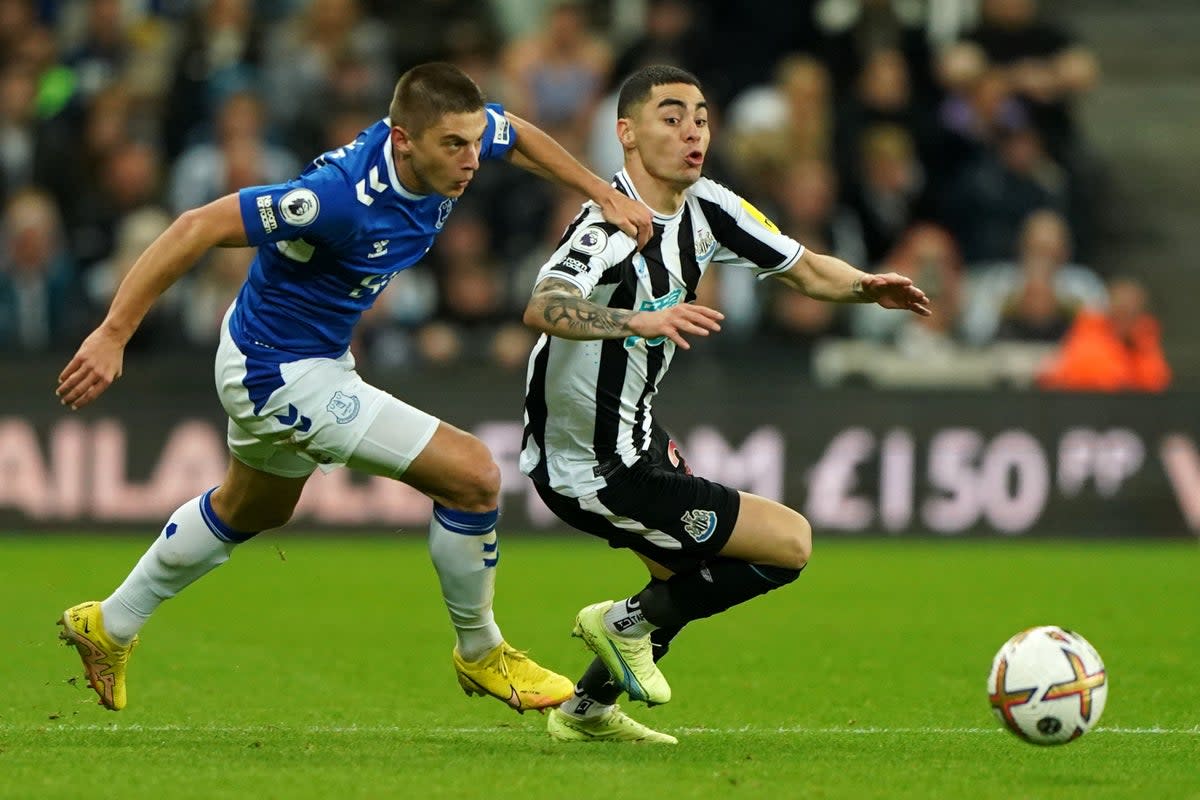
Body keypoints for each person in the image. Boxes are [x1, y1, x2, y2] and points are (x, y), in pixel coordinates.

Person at [54, 62, 653, 714]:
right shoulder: (336, 198)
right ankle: (482, 652)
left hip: (289, 351)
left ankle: (108, 624)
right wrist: (114, 332)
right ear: (403, 140)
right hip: (280, 372)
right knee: (474, 475)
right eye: (455, 146)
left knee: (251, 509)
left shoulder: (450, 144)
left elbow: (520, 134)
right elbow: (195, 227)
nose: (473, 159)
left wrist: (602, 191)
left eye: (475, 141)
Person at [517, 65, 930, 743]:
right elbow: (545, 304)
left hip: (638, 438)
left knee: (687, 580)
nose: (693, 131)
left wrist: (866, 287)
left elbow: (805, 267)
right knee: (787, 545)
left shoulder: (709, 207)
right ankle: (620, 624)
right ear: (626, 133)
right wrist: (636, 321)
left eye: (702, 117)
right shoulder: (606, 225)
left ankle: (586, 712)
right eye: (672, 116)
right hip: (588, 467)